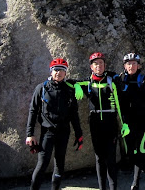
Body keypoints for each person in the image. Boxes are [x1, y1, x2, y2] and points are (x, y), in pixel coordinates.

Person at [26, 58, 83, 190]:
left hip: (64, 131)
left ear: (66, 72)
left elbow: (74, 114)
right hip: (48, 132)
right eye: (56, 70)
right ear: (51, 71)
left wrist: (79, 133)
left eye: (62, 70)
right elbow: (33, 111)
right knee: (42, 164)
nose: (59, 73)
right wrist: (30, 134)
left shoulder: (69, 90)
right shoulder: (42, 88)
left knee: (60, 164)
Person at [76, 52, 129, 190]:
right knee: (99, 158)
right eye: (95, 63)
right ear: (91, 67)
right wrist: (76, 86)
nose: (98, 65)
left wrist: (124, 123)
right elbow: (69, 83)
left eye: (101, 63)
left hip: (110, 121)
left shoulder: (112, 79)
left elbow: (120, 103)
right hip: (95, 122)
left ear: (104, 65)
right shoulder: (88, 82)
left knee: (111, 158)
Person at [115, 53, 145, 190]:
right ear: (124, 66)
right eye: (128, 63)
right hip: (128, 122)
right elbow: (121, 103)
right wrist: (124, 122)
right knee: (130, 153)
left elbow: (141, 101)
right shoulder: (121, 80)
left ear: (138, 65)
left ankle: (135, 183)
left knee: (140, 151)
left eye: (134, 63)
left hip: (142, 120)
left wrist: (126, 89)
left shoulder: (144, 80)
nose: (131, 66)